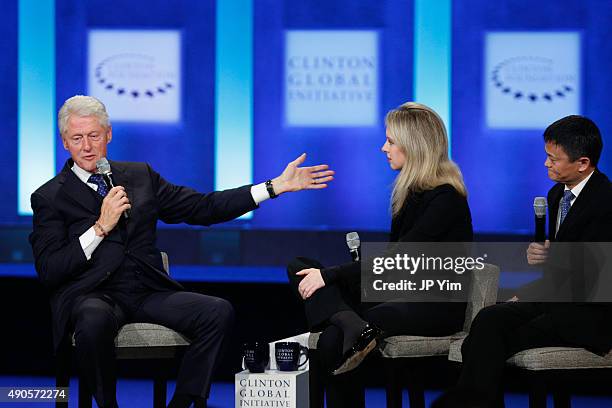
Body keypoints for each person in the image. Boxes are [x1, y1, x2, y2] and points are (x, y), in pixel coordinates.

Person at [29, 95, 335, 408]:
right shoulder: (50, 197)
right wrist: (99, 229)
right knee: (92, 319)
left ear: (108, 135)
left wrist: (273, 187)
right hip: (93, 294)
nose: (87, 146)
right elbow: (51, 268)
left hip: (146, 291)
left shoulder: (139, 176)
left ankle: (183, 402)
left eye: (94, 136)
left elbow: (203, 208)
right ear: (64, 142)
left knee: (216, 311)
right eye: (77, 138)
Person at [287, 102, 473, 406]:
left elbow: (400, 258)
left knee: (335, 333)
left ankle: (348, 323)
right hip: (396, 291)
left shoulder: (446, 199)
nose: (383, 148)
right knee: (299, 267)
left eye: (390, 141)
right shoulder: (410, 192)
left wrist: (331, 275)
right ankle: (350, 321)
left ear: (414, 146)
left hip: (432, 303)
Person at [435, 115, 612, 407]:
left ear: (582, 163)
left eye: (554, 159)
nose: (546, 164)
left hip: (589, 312)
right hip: (557, 299)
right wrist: (528, 290)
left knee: (490, 338)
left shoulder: (605, 201)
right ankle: (474, 400)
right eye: (546, 156)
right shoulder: (557, 195)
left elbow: (595, 274)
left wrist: (551, 258)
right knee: (490, 317)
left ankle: (467, 400)